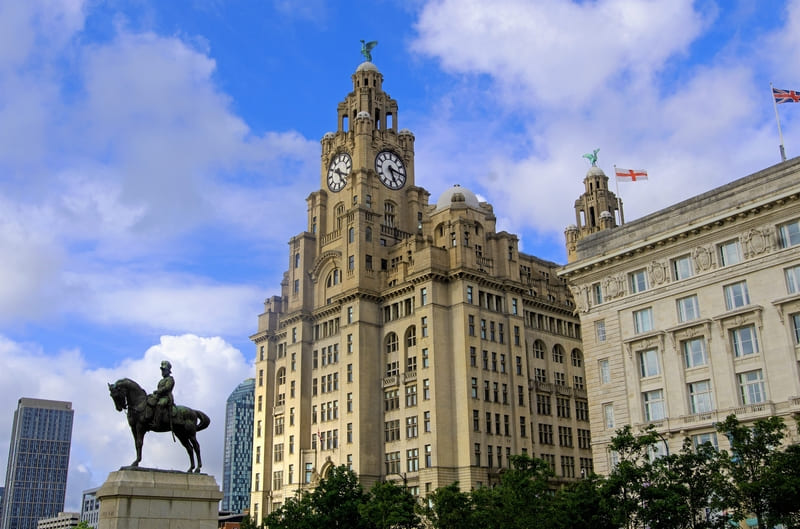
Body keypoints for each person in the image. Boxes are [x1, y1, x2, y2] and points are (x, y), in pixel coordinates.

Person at [147, 360, 175, 428]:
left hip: (166, 397)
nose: (163, 372)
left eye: (164, 370)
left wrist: (158, 391)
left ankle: (157, 423)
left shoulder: (170, 379)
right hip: (159, 396)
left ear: (168, 371)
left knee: (160, 405)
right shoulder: (161, 381)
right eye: (162, 370)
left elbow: (167, 388)